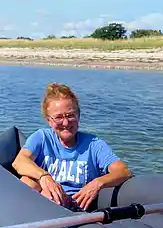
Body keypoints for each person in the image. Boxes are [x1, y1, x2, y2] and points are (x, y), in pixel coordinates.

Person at [12, 83, 132, 211]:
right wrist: (44, 177)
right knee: (27, 181)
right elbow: (19, 161)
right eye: (58, 117)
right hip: (46, 206)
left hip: (79, 210)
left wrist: (98, 183)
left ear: (78, 115)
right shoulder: (42, 137)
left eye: (70, 115)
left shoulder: (94, 144)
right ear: (49, 120)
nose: (65, 122)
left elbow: (123, 171)